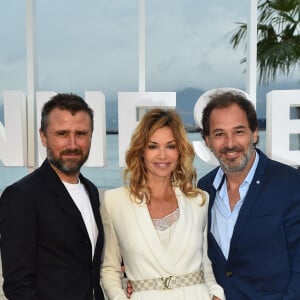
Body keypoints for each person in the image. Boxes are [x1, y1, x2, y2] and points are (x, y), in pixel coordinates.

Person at [100, 108, 225, 300]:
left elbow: (205, 265)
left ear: (180, 151)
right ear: (141, 150)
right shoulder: (115, 202)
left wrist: (216, 293)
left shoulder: (199, 200)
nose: (162, 155)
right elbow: (110, 269)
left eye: (170, 146)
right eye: (153, 146)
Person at [197, 89, 300, 300]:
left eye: (239, 131)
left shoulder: (290, 184)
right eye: (219, 134)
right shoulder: (204, 189)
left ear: (254, 133)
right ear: (207, 140)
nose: (230, 143)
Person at [0, 93, 105, 300]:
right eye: (62, 134)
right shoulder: (21, 197)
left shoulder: (91, 191)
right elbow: (18, 285)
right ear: (43, 136)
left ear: (91, 136)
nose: (72, 144)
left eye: (81, 133)